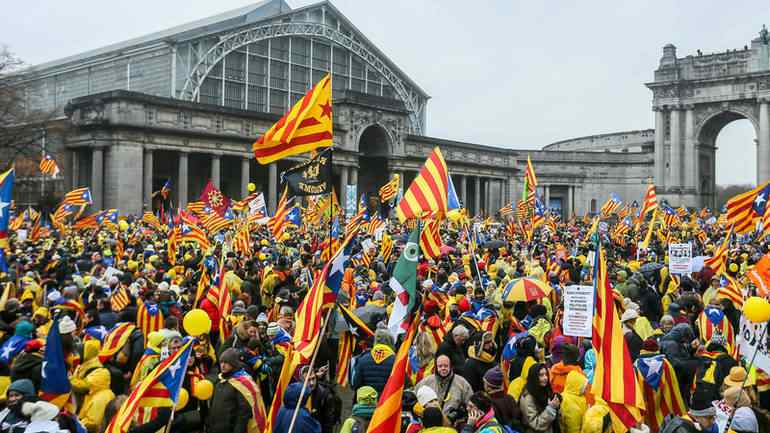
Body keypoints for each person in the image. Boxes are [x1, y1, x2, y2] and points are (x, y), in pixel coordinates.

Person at [416, 354, 473, 424]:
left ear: (450, 366)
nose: (443, 368)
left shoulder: (462, 383)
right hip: (429, 426)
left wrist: (462, 419)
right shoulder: (425, 382)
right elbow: (415, 400)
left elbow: (471, 405)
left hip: (452, 426)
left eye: (446, 366)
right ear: (436, 367)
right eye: (440, 366)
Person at [207, 349, 253, 433]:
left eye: (226, 363)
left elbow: (243, 412)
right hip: (215, 428)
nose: (223, 366)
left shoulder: (240, 383)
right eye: (221, 362)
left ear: (234, 364)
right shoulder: (219, 380)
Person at [352, 329, 396, 395]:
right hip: (387, 401)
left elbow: (356, 384)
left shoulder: (362, 359)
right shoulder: (396, 360)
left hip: (367, 400)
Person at [519, 363, 559, 433]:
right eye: (541, 375)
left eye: (546, 374)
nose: (545, 378)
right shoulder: (528, 398)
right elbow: (535, 424)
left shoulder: (545, 389)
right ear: (534, 377)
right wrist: (551, 409)